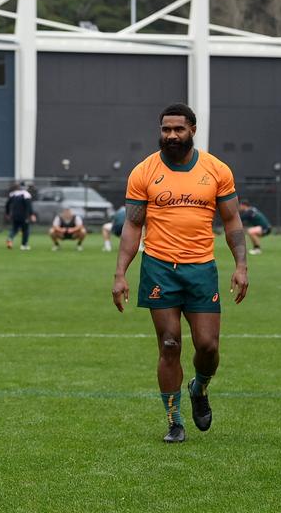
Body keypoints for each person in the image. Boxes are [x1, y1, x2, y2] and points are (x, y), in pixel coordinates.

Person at [112, 103, 248, 444]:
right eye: (166, 129)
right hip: (159, 267)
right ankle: (174, 421)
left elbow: (232, 221)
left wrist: (241, 266)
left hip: (202, 268)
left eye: (178, 129)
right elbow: (132, 224)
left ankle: (199, 387)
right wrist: (120, 273)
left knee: (208, 347)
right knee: (170, 344)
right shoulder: (144, 171)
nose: (171, 135)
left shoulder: (216, 170)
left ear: (192, 130)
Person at [4, 182, 35, 250]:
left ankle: (10, 238)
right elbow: (28, 206)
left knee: (14, 229)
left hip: (14, 215)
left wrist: (7, 213)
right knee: (25, 230)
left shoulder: (13, 194)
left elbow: (7, 204)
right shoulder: (26, 194)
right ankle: (24, 245)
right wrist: (31, 215)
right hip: (23, 216)